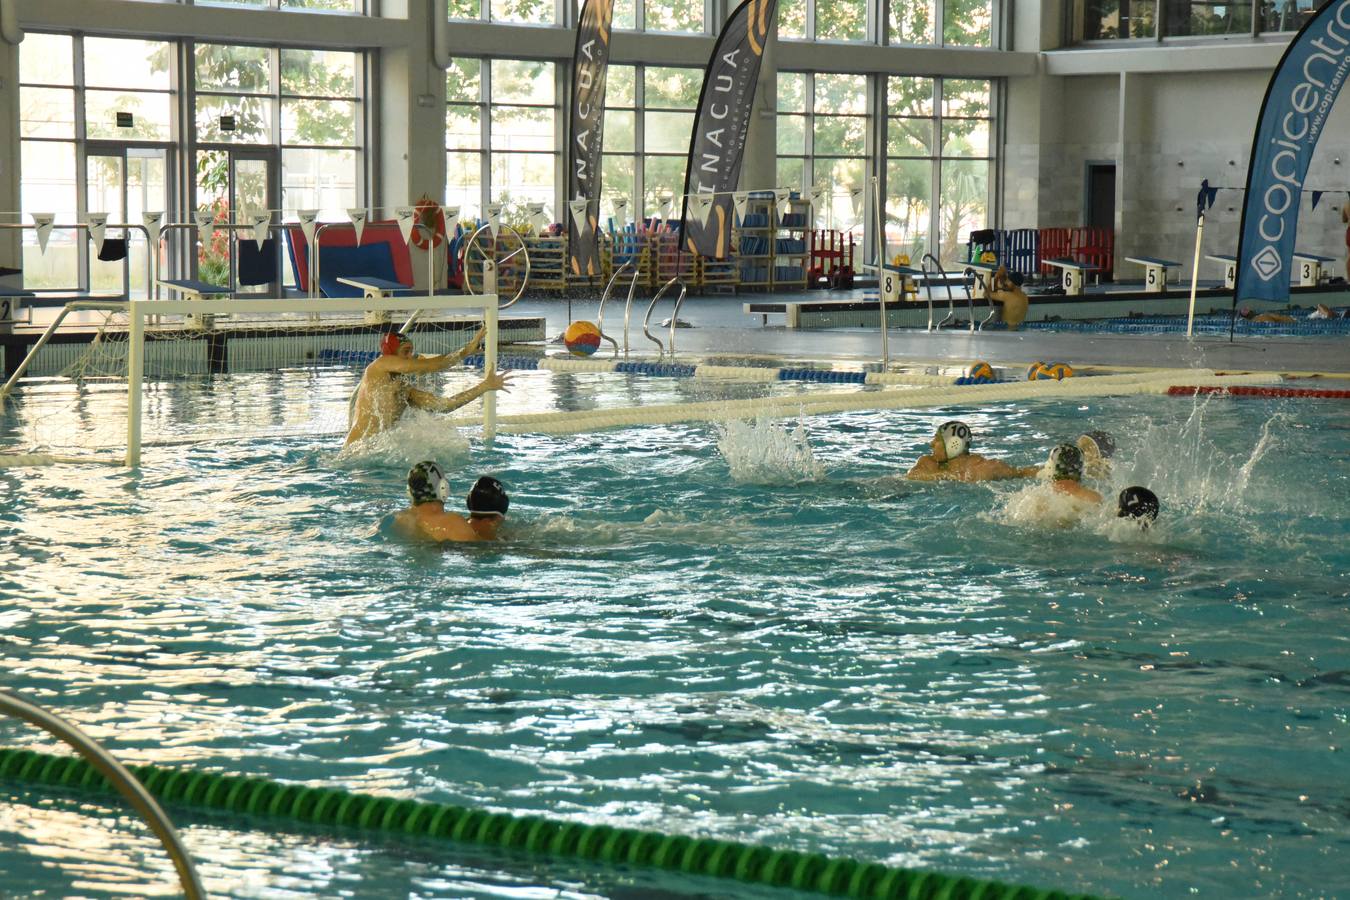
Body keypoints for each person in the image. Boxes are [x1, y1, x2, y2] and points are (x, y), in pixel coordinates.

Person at [345, 328, 511, 446]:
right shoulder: (379, 366)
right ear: (391, 352)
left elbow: (444, 405)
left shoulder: (404, 390)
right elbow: (432, 365)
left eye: (411, 351)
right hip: (355, 451)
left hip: (375, 452)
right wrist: (466, 351)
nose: (411, 356)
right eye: (406, 351)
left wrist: (484, 386)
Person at [393, 462, 510, 542]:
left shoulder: (399, 518)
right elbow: (484, 551)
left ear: (409, 490)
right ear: (443, 487)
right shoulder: (453, 523)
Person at [906, 420, 1040, 482]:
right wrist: (948, 476)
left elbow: (1022, 473)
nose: (931, 444)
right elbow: (911, 477)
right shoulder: (928, 462)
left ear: (954, 444)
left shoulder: (982, 467)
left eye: (937, 439)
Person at [984, 265, 1029, 330]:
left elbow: (986, 294)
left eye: (1007, 281)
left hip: (1006, 330)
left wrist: (996, 277)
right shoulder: (1024, 296)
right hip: (1019, 329)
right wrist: (1003, 275)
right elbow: (1005, 288)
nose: (1005, 282)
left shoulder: (1007, 296)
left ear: (1012, 283)